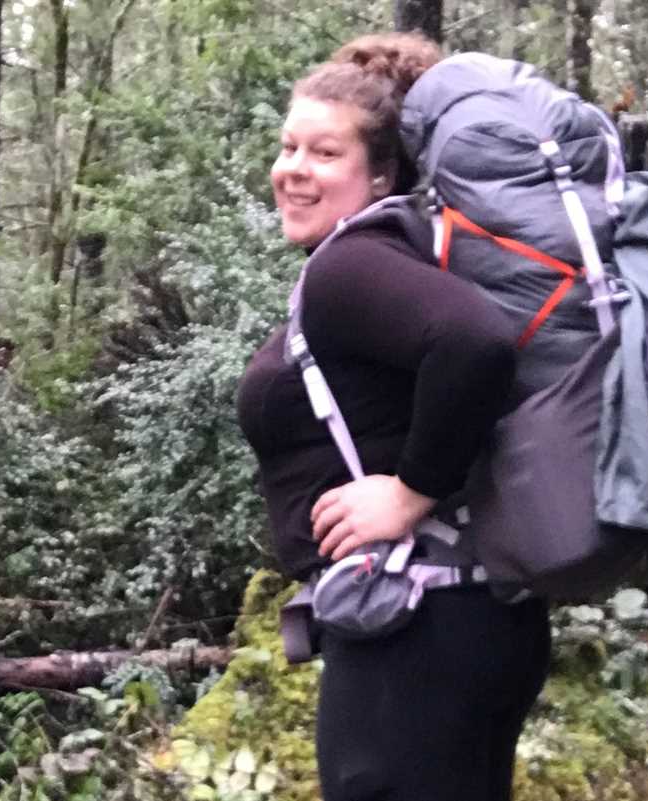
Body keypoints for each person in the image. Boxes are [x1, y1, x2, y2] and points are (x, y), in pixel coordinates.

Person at [236, 32, 551, 801]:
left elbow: (476, 346)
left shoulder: (351, 264)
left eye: (324, 153)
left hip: (416, 633)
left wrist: (407, 491)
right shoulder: (404, 255)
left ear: (381, 173)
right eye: (287, 148)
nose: (293, 172)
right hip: (467, 618)